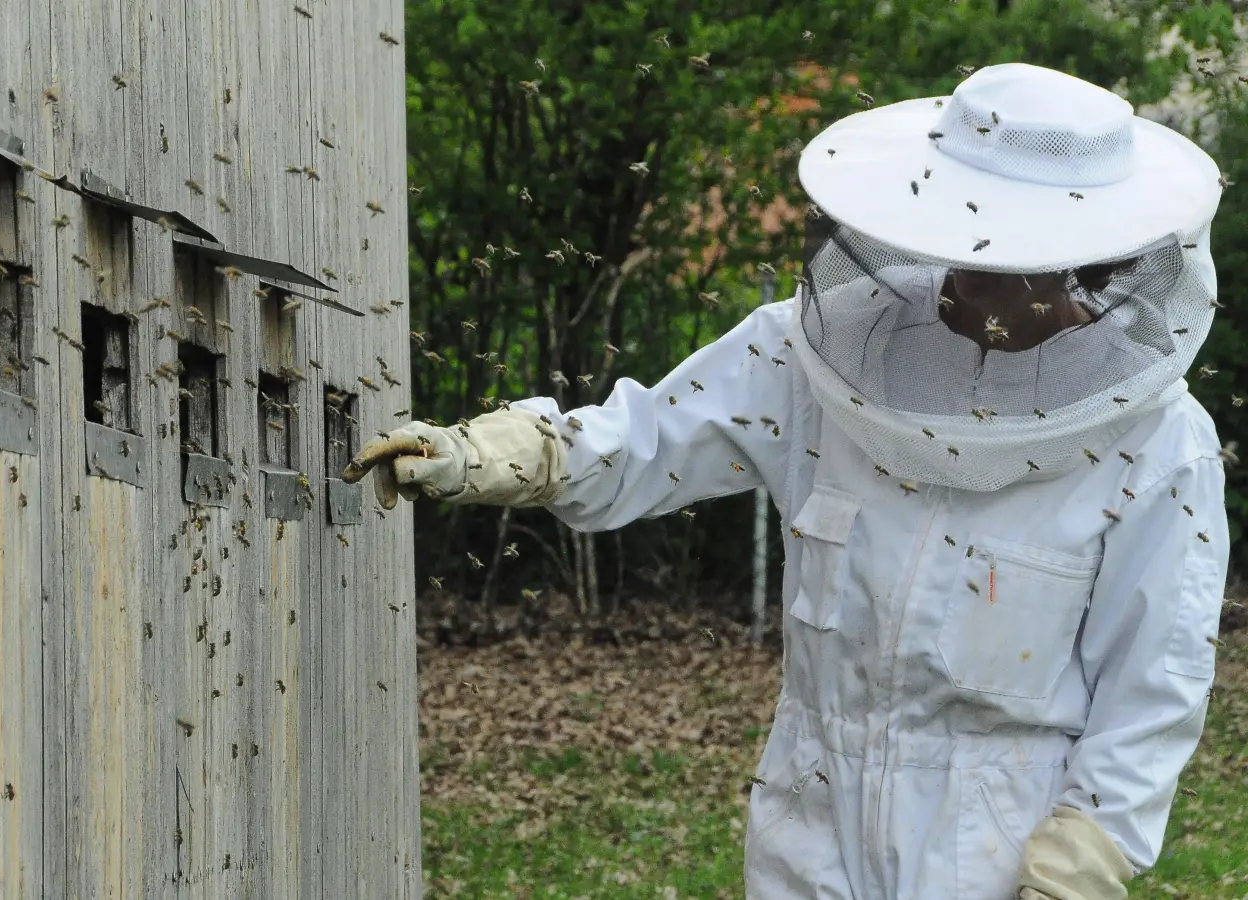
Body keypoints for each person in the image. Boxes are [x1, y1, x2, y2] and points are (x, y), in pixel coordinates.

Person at [344, 63, 1230, 899]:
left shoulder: (1159, 442)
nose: (984, 271)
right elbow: (646, 442)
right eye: (974, 237)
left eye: (1019, 253)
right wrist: (500, 453)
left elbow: (1153, 681)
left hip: (996, 838)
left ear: (1088, 255)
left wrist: (1085, 850)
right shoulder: (819, 348)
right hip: (811, 804)